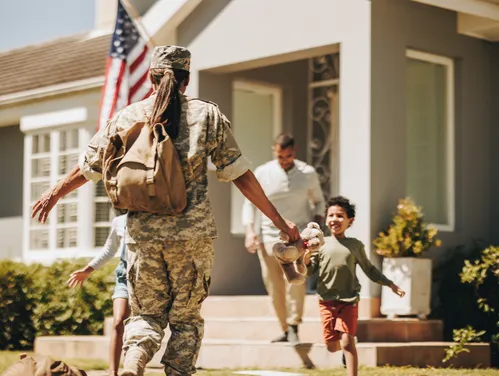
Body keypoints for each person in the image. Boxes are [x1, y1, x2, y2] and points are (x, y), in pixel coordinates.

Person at [31, 45, 299, 376]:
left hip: (142, 237)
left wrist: (54, 192)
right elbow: (238, 175)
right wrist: (279, 221)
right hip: (192, 237)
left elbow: (89, 167)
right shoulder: (207, 115)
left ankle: (133, 364)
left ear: (150, 77)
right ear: (186, 79)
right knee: (185, 319)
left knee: (144, 314)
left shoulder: (127, 115)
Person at [304, 196, 405, 376]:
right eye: (331, 215)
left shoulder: (355, 245)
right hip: (326, 301)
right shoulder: (320, 244)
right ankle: (343, 348)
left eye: (340, 216)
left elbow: (369, 269)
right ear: (326, 219)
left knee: (347, 342)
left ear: (350, 221)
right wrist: (305, 258)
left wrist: (390, 284)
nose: (335, 219)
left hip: (349, 300)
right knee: (331, 346)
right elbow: (310, 271)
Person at [241, 133, 325, 344]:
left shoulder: (307, 173)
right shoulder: (263, 172)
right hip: (270, 237)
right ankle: (285, 328)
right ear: (274, 151)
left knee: (296, 280)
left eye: (287, 156)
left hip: (298, 238)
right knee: (274, 284)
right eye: (280, 156)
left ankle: (295, 325)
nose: (284, 159)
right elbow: (249, 204)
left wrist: (315, 225)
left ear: (294, 152)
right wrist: (250, 232)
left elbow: (319, 202)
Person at [66, 214, 128, 376]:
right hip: (125, 278)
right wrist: (87, 271)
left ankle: (134, 368)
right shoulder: (120, 221)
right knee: (118, 321)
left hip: (150, 280)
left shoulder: (154, 217)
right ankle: (112, 372)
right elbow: (109, 249)